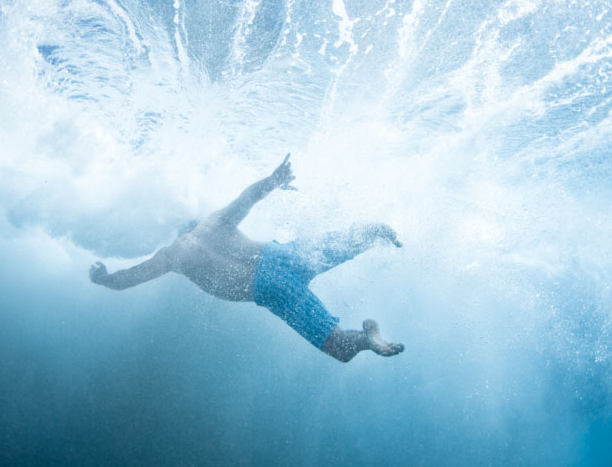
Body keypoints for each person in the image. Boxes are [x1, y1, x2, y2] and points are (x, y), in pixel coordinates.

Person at [89, 154, 405, 362]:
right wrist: (274, 179)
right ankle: (369, 233)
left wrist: (104, 278)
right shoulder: (213, 222)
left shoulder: (173, 254)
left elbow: (129, 279)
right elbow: (248, 198)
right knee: (330, 248)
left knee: (338, 347)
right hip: (278, 254)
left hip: (267, 287)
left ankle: (367, 339)